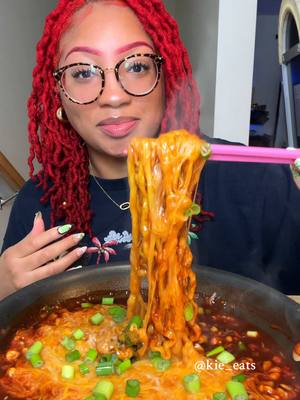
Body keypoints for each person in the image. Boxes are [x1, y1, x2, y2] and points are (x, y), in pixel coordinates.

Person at [0, 0, 300, 300]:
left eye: (137, 66)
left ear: (165, 76)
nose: (113, 96)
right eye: (82, 73)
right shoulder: (37, 204)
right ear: (59, 96)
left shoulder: (253, 178)